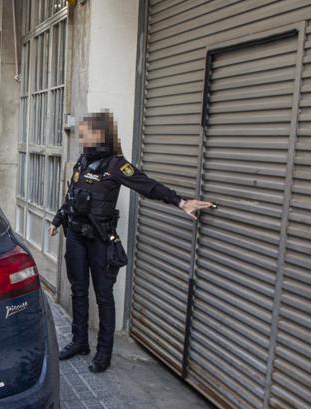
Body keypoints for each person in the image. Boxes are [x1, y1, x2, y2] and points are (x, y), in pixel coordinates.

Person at [49, 112, 213, 373]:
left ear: (101, 134)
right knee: (78, 291)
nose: (81, 137)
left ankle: (103, 354)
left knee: (103, 297)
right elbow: (72, 195)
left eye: (86, 132)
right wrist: (58, 220)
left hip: (100, 240)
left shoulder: (116, 165)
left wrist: (181, 202)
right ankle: (79, 342)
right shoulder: (82, 161)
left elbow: (147, 185)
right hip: (76, 237)